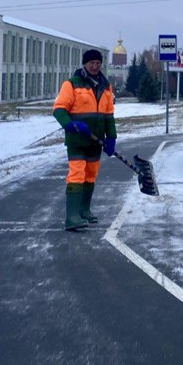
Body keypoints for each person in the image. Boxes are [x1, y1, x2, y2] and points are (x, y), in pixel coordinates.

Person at [53, 49, 117, 231]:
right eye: (92, 63)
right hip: (77, 140)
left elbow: (108, 115)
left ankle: (84, 210)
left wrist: (111, 138)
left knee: (90, 175)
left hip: (96, 141)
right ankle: (71, 217)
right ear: (85, 64)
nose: (95, 66)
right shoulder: (71, 84)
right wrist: (71, 125)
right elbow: (59, 109)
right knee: (77, 174)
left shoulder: (105, 86)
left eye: (98, 63)